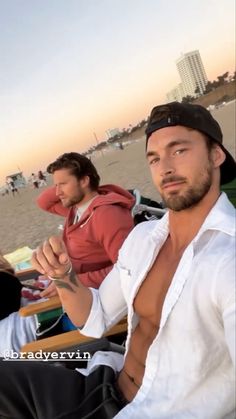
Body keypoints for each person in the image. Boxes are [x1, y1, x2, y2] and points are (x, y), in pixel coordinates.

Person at [0, 102, 235, 418]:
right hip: (104, 384)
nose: (164, 167)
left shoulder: (227, 260)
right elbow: (94, 317)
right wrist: (63, 275)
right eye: (154, 158)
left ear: (216, 155)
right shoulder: (145, 239)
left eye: (178, 151)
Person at [0, 152, 134, 354]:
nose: (57, 192)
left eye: (63, 184)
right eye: (55, 185)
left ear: (84, 180)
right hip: (65, 279)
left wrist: (73, 280)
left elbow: (128, 270)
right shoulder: (75, 209)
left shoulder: (106, 216)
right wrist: (68, 185)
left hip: (83, 295)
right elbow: (43, 202)